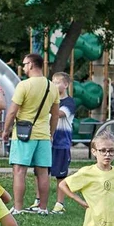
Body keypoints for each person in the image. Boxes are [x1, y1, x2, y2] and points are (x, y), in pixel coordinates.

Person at [1, 53, 60, 216]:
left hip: (23, 134)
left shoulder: (24, 86)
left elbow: (12, 111)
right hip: (43, 135)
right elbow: (55, 115)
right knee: (43, 172)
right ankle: (43, 207)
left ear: (32, 65)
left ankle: (18, 207)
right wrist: (51, 133)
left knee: (19, 170)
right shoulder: (51, 86)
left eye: (25, 64)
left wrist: (6, 130)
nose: (24, 67)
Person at [31, 72, 75, 214]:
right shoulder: (49, 101)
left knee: (60, 175)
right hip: (46, 141)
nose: (54, 85)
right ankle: (38, 200)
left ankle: (59, 203)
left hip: (62, 143)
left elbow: (59, 114)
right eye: (53, 82)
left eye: (58, 82)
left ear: (66, 85)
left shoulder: (69, 102)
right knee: (40, 172)